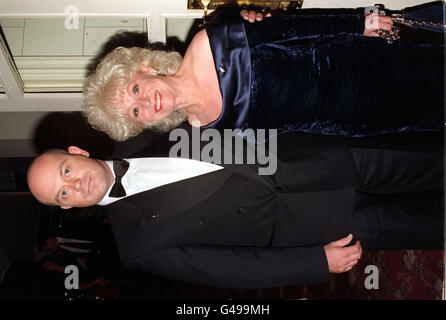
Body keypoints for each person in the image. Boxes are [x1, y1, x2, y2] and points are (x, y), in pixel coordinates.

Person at [27, 128, 443, 288]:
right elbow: (231, 270)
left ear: (76, 150)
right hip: (318, 225)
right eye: (61, 194)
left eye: (65, 171)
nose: (73, 185)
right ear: (67, 208)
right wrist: (316, 262)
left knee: (427, 161)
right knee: (427, 223)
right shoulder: (138, 245)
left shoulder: (138, 129)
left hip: (318, 157)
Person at [83, 2, 444, 141]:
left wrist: (358, 22)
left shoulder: (208, 43)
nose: (146, 102)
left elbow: (292, 28)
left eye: (134, 90)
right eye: (135, 112)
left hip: (357, 66)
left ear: (145, 69)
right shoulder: (203, 129)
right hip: (354, 120)